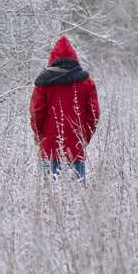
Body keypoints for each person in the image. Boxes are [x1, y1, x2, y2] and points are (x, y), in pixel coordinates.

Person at [29, 36, 100, 180]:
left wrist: (39, 136)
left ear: (52, 59)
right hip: (76, 146)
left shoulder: (43, 83)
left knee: (49, 196)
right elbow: (94, 114)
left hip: (49, 147)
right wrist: (84, 137)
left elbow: (36, 113)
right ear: (74, 58)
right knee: (77, 196)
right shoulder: (86, 82)